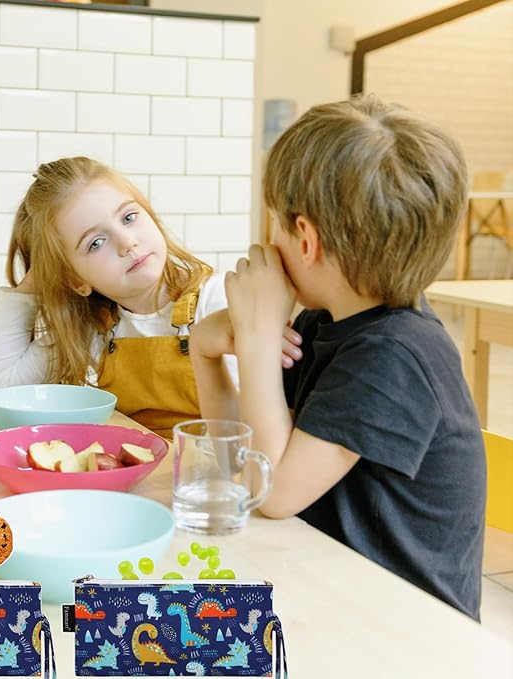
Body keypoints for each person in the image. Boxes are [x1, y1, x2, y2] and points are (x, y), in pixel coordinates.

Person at [189, 94, 486, 620]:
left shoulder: (395, 354)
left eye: (274, 221)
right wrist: (206, 352)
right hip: (324, 586)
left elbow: (273, 494)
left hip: (402, 631)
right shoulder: (322, 322)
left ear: (305, 239)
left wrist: (257, 338)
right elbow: (247, 462)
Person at [0, 157, 302, 438]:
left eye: (129, 217)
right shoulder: (91, 329)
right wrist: (33, 284)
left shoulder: (216, 300)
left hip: (210, 474)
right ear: (76, 281)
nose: (127, 243)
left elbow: (249, 428)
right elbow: (2, 385)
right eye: (95, 243)